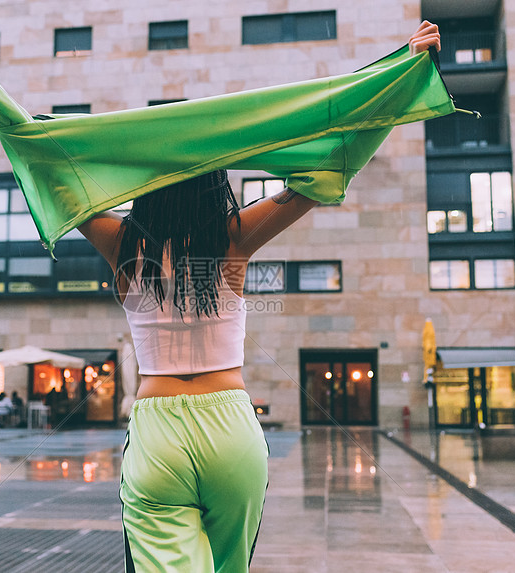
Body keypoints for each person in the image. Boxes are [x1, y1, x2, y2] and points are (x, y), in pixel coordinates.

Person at [76, 22, 442, 572]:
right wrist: (402, 75)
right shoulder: (233, 239)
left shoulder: (123, 244)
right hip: (232, 431)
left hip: (156, 430)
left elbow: (59, 183)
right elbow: (329, 170)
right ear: (215, 180)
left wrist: (30, 132)